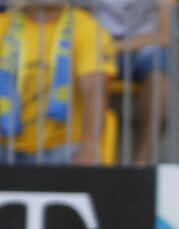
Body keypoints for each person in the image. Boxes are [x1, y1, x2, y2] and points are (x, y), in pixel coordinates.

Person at [0, 0, 114, 165]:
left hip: (62, 148)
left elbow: (94, 90)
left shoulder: (87, 28)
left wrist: (89, 146)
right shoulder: (4, 25)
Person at [94, 0, 174, 163]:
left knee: (158, 76)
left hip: (146, 43)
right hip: (96, 43)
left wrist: (115, 47)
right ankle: (90, 155)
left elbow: (165, 35)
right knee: (87, 73)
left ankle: (141, 162)